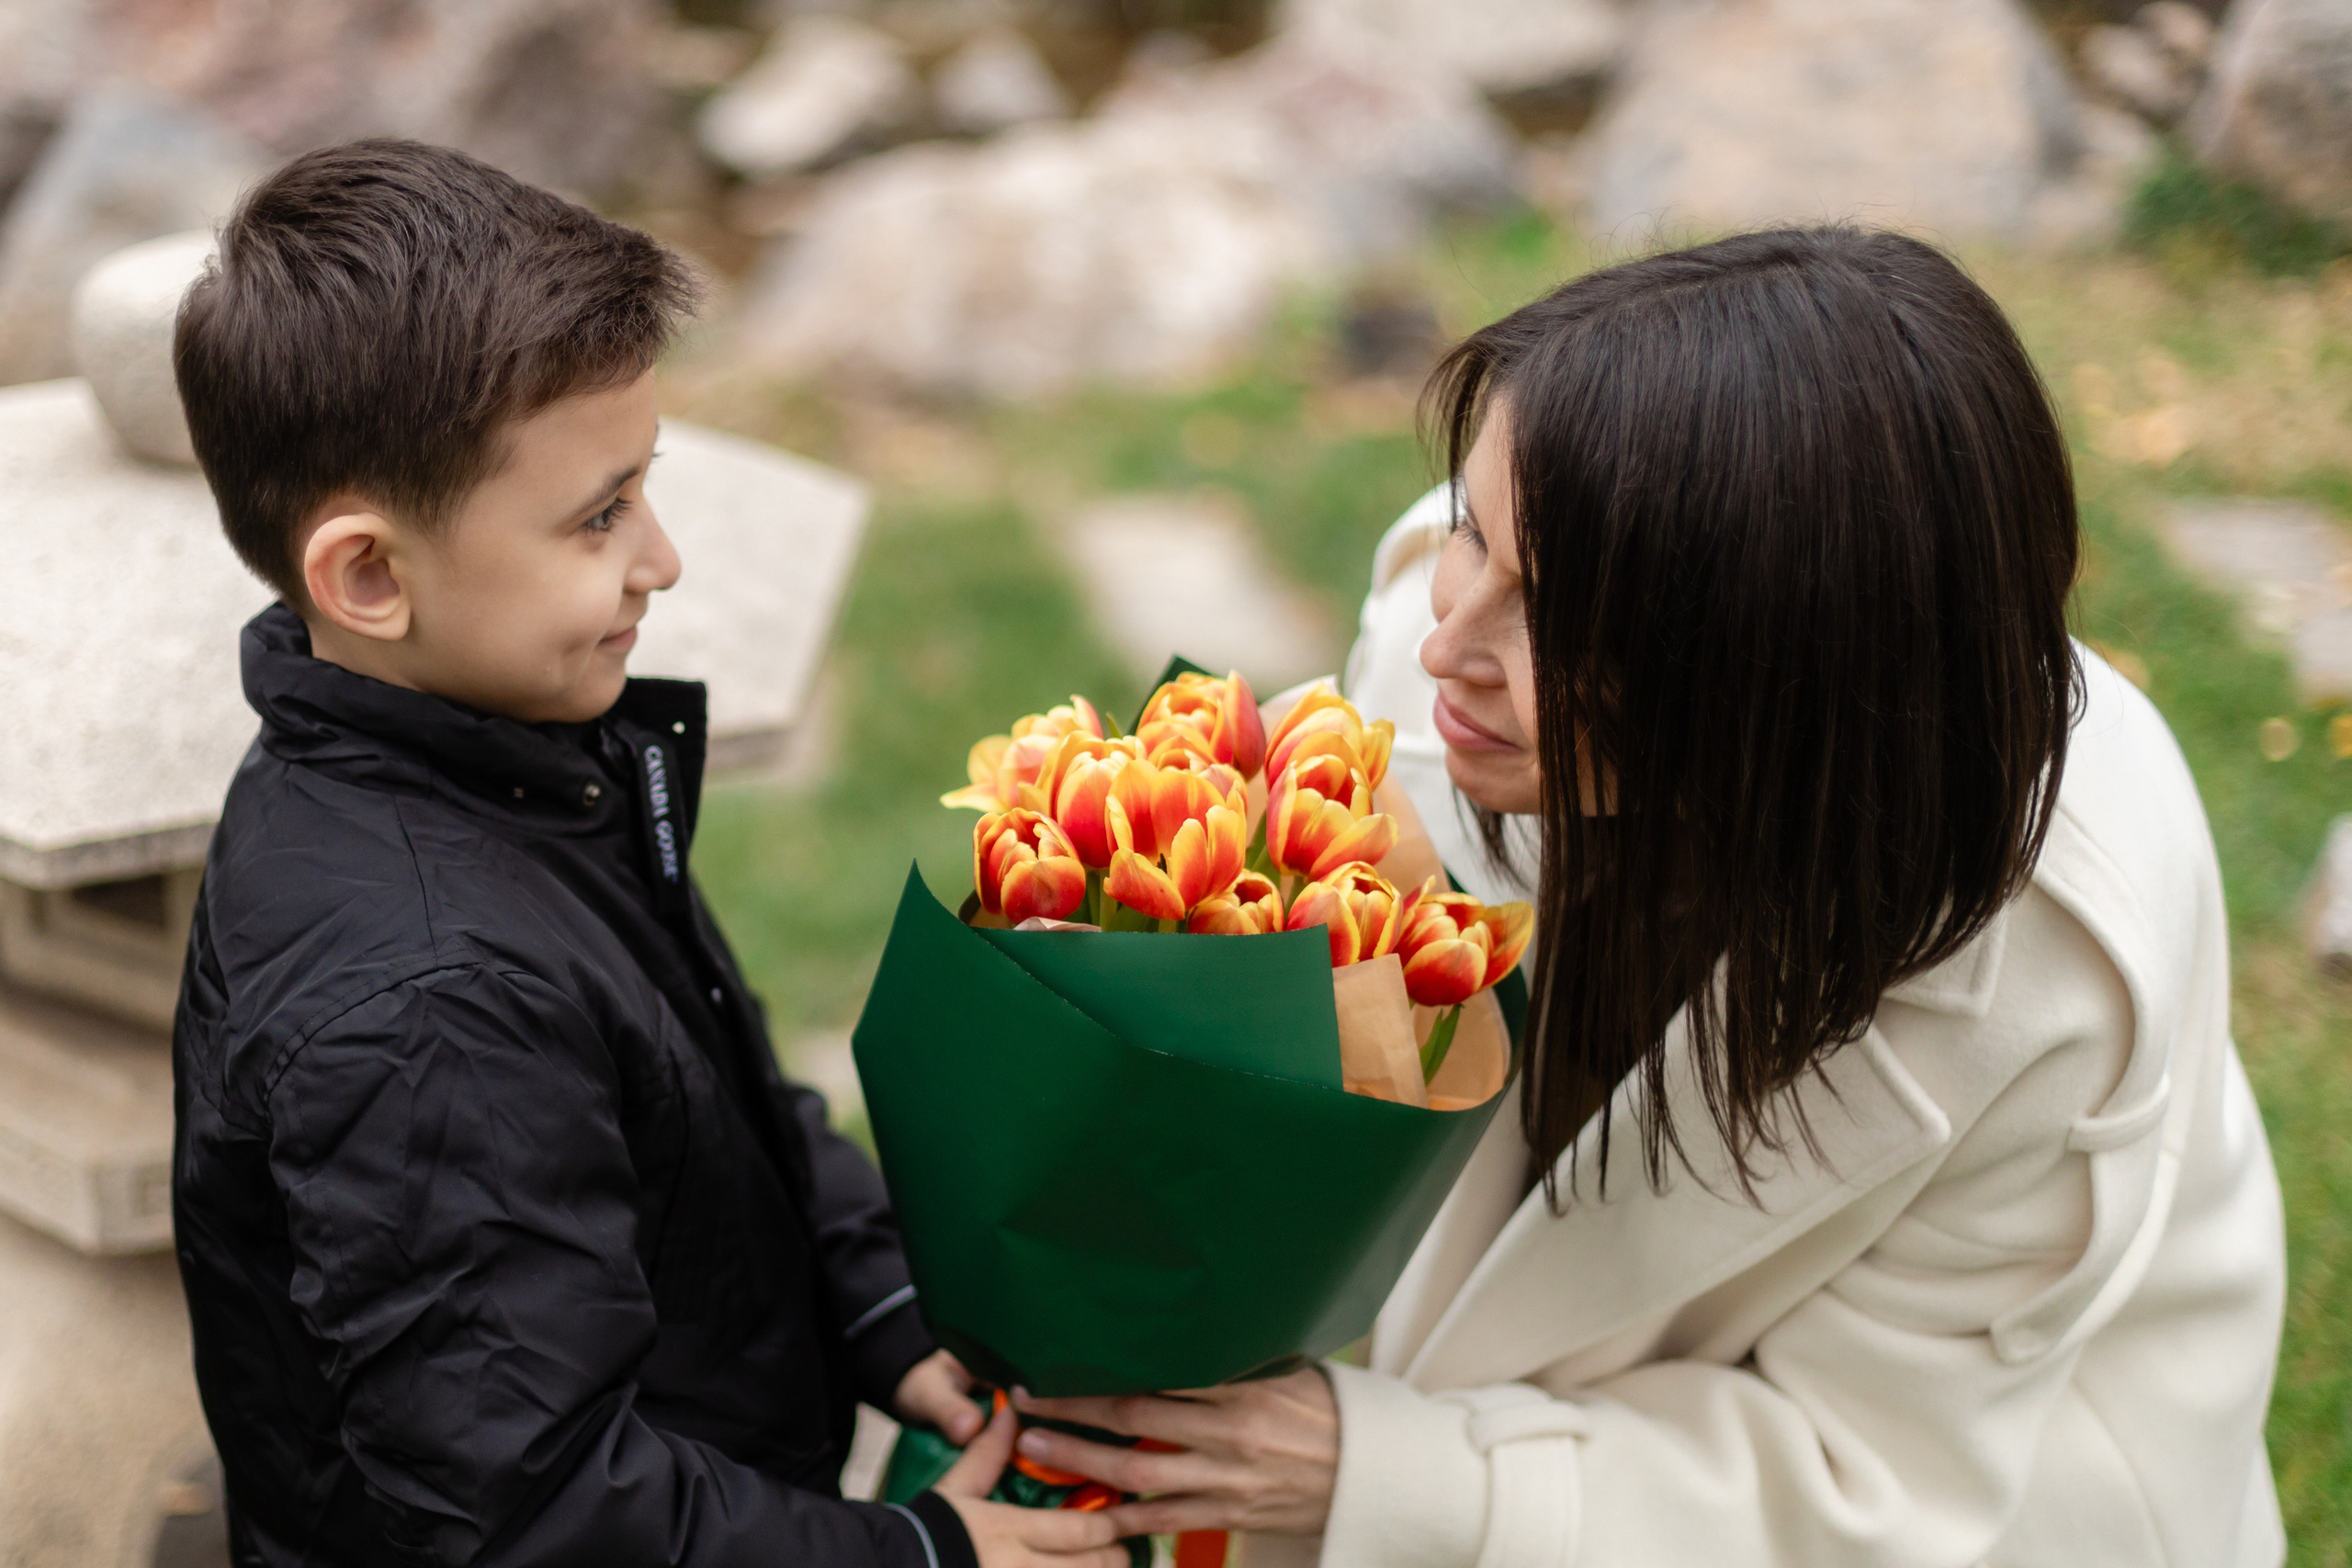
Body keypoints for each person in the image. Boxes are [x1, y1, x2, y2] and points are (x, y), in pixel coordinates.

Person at [1009, 228, 2289, 1566]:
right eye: (1469, 531)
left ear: (1775, 673)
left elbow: (1868, 1484)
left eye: (1555, 617)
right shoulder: (1460, 661)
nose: (1450, 641)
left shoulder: (2050, 978)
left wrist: (1373, 1473)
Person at [169, 140, 1125, 1568]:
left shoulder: (509, 753)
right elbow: (539, 1514)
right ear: (368, 577)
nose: (660, 556)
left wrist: (881, 1313)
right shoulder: (425, 1005)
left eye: (644, 484)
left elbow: (711, 1089)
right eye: (598, 513)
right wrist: (924, 1557)